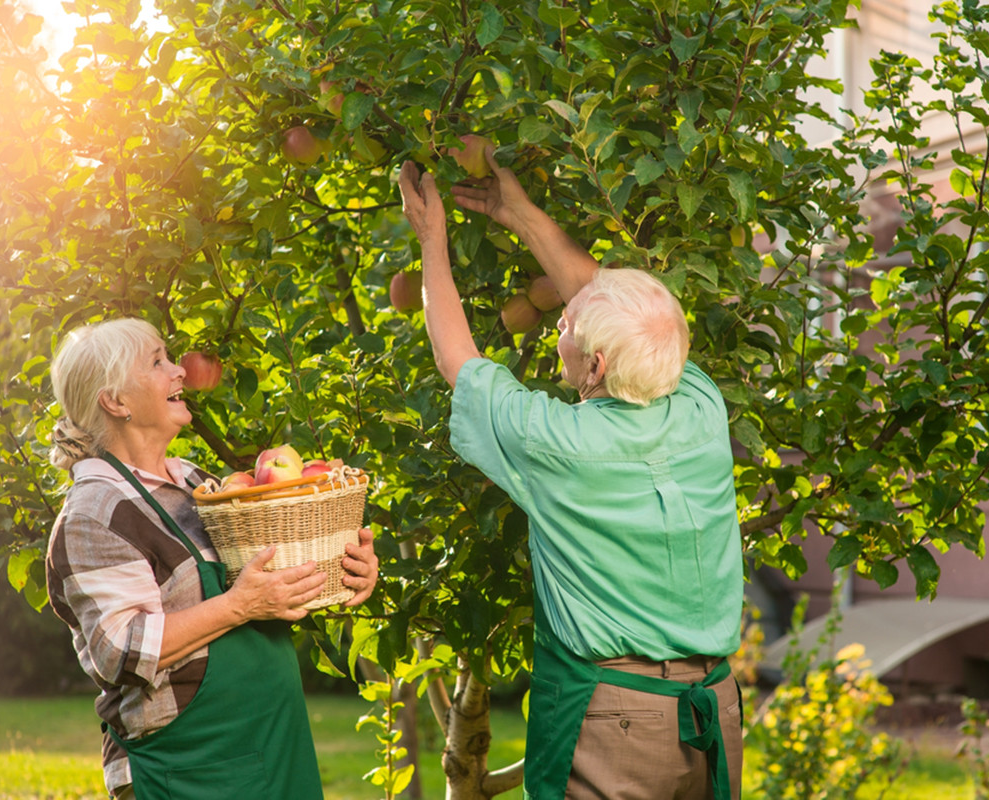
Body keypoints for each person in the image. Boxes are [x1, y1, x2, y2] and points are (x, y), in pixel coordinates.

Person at [398, 153, 745, 800]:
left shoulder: (555, 441)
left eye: (569, 327)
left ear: (596, 365)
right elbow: (598, 290)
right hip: (713, 709)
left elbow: (457, 359)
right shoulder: (700, 406)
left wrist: (430, 238)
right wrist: (517, 211)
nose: (561, 319)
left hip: (616, 718)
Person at [43, 317, 379, 800]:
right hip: (192, 766)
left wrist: (345, 569)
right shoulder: (96, 513)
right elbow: (122, 649)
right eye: (157, 362)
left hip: (274, 743)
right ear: (116, 402)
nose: (180, 370)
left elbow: (268, 584)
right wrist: (238, 606)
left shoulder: (195, 484)